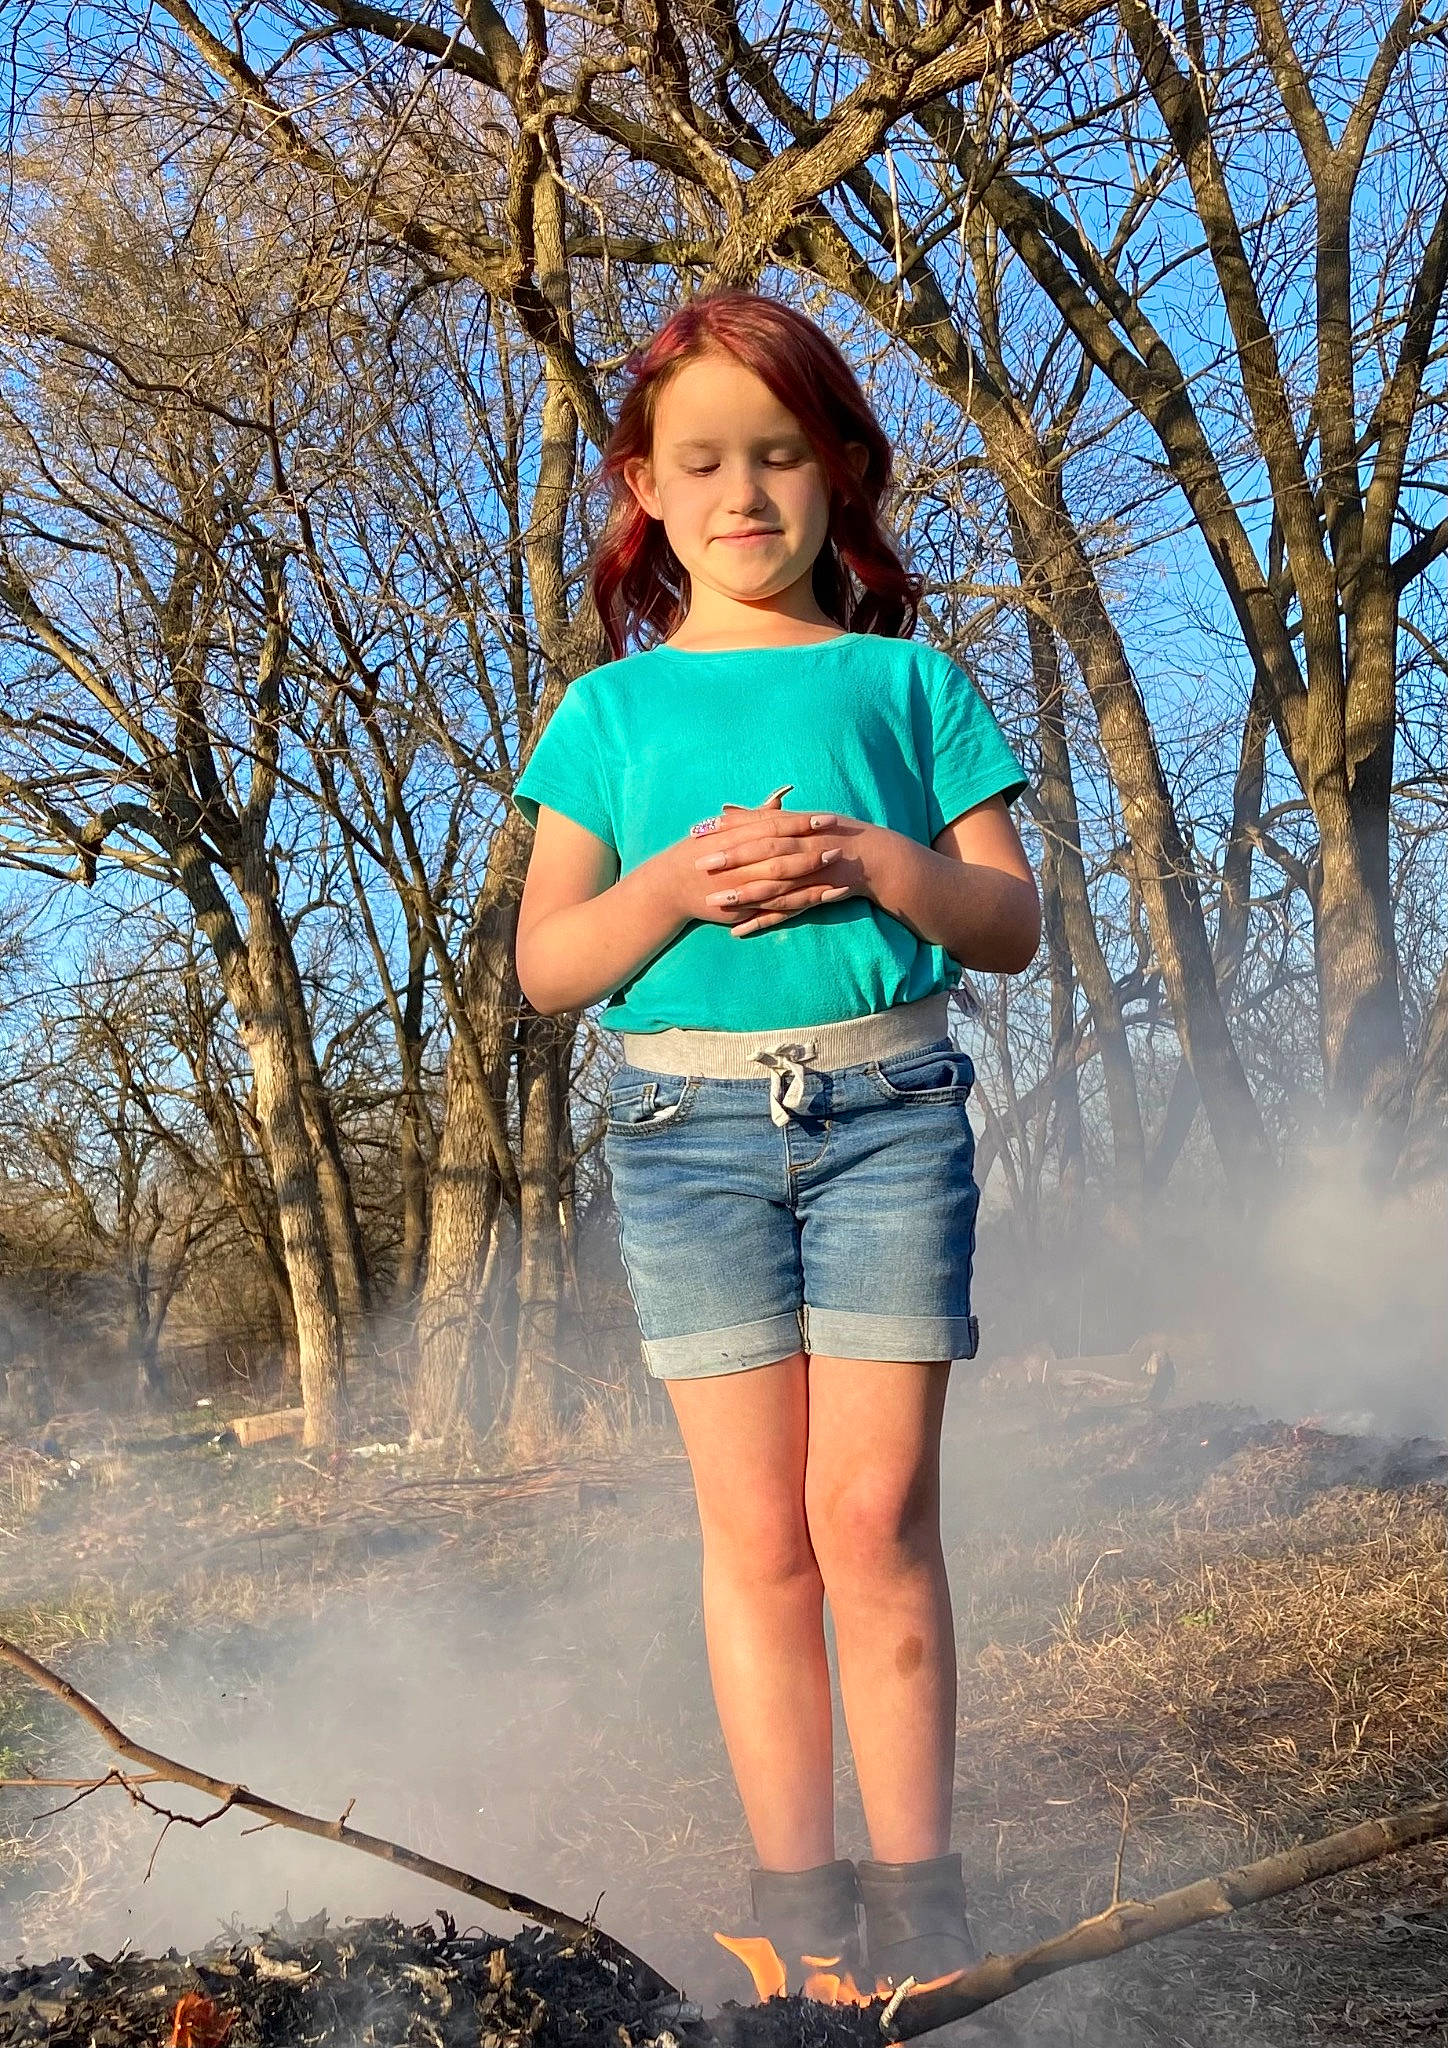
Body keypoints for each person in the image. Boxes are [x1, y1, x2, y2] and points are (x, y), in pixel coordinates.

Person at [512, 291, 1039, 1997]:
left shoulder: (910, 680)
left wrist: (886, 866)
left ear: (843, 472)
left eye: (781, 454)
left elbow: (1009, 919)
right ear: (646, 495)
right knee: (759, 1537)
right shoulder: (609, 717)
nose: (745, 495)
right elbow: (548, 967)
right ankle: (803, 1937)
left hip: (889, 1116)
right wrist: (669, 885)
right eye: (703, 464)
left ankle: (923, 1917)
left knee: (873, 1512)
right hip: (684, 1133)